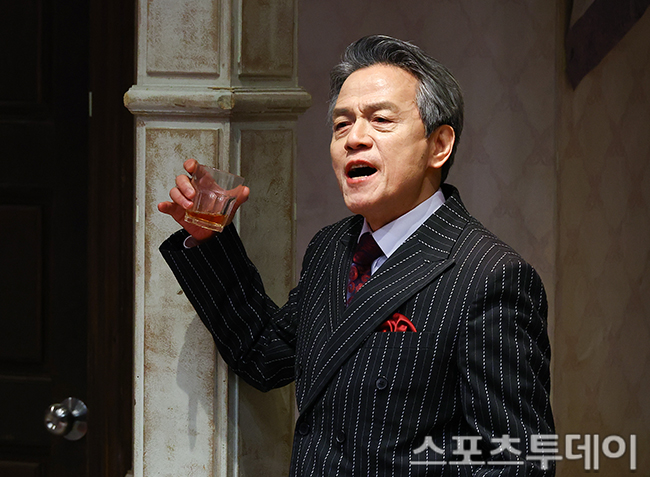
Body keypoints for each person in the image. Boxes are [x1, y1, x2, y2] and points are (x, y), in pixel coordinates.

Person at [158, 35, 555, 476]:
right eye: (341, 125)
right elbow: (265, 355)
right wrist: (209, 239)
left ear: (439, 145)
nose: (354, 139)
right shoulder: (330, 248)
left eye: (380, 120)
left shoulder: (489, 276)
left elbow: (520, 461)